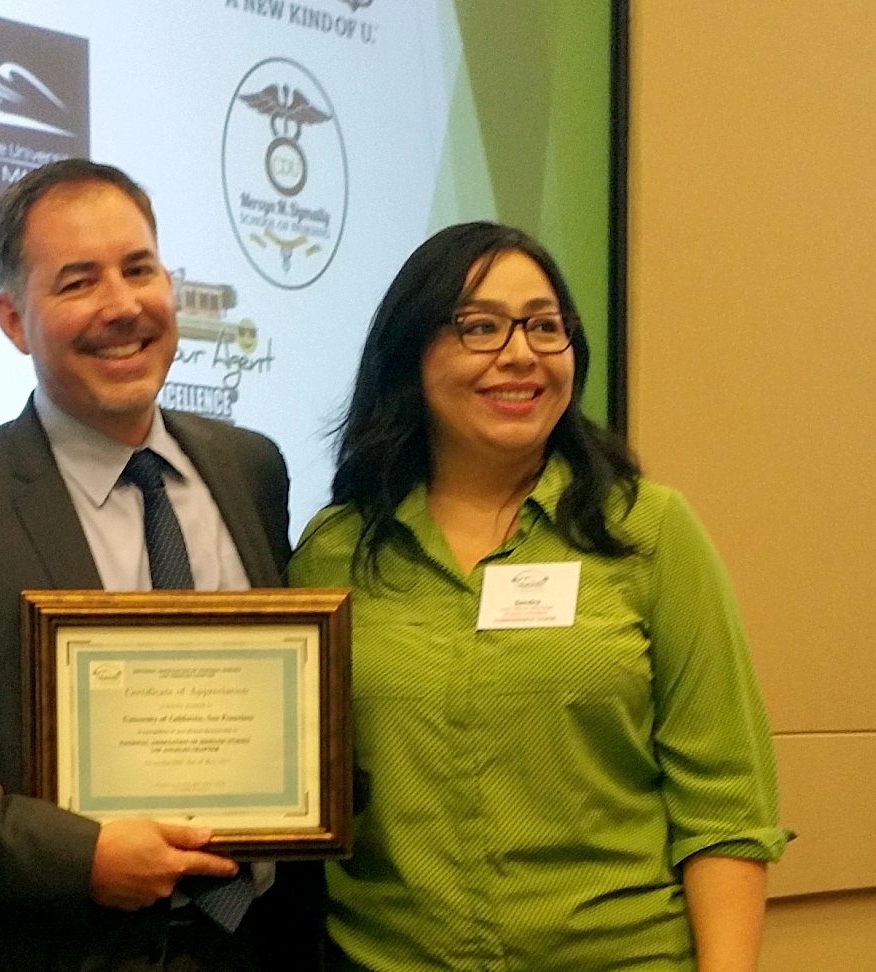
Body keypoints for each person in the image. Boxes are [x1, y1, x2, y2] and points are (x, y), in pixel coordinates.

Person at [0, 158, 320, 972]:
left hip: (253, 947)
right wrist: (80, 857)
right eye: (76, 282)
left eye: (139, 270)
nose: (122, 306)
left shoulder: (251, 469)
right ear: (13, 320)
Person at [289, 221, 789, 972]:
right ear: (410, 355)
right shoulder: (334, 552)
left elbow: (724, 809)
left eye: (543, 327)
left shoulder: (648, 533)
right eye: (479, 327)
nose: (519, 353)